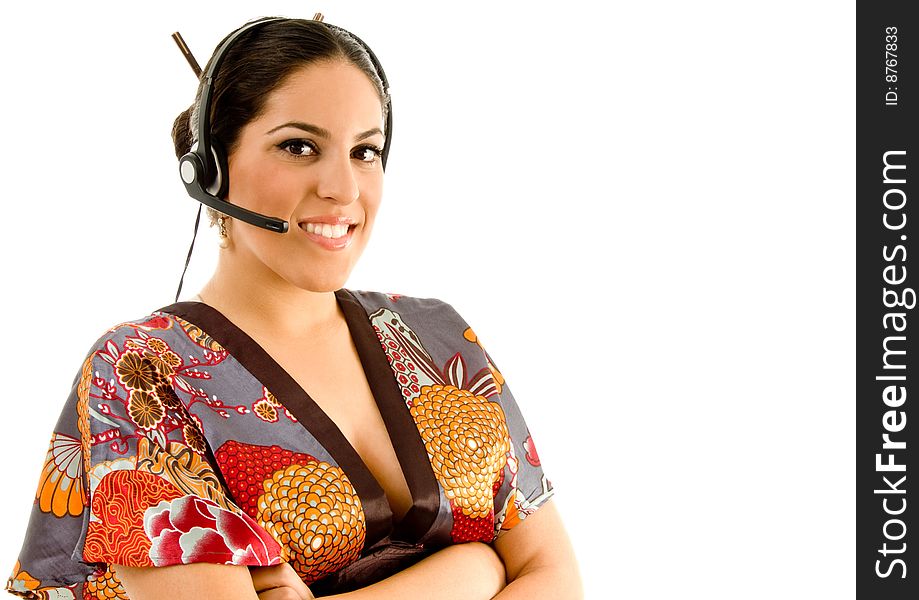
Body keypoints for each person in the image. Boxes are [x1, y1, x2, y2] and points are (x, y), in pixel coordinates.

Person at [6, 16, 581, 600]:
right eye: (299, 146)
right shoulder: (140, 371)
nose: (344, 188)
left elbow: (555, 578)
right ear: (212, 168)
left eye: (365, 151)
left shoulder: (435, 336)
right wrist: (471, 572)